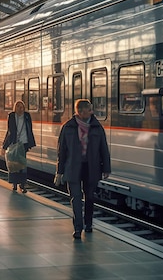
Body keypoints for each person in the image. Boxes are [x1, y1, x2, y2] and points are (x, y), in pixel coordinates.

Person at [54, 99, 111, 239]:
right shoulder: (68, 127)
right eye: (88, 110)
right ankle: (78, 228)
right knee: (76, 198)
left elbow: (104, 149)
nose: (91, 112)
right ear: (79, 112)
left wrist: (106, 168)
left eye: (91, 109)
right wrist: (59, 172)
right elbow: (62, 152)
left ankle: (89, 223)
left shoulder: (97, 127)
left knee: (90, 197)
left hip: (91, 167)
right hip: (73, 167)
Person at [2, 100, 36, 193]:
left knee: (22, 165)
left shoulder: (27, 116)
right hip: (14, 143)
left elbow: (30, 129)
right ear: (15, 108)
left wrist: (30, 142)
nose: (20, 109)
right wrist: (5, 145)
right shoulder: (12, 116)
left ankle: (22, 184)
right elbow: (9, 131)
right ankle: (14, 184)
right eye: (18, 107)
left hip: (23, 143)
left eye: (22, 107)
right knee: (14, 164)